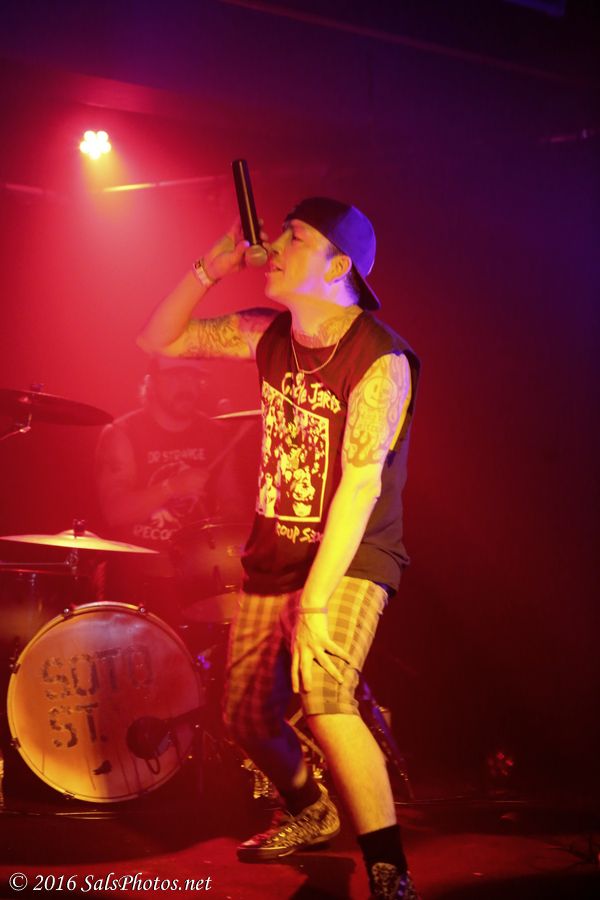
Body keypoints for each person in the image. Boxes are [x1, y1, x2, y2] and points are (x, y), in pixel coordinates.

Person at [137, 197, 420, 900]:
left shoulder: (381, 358)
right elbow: (158, 341)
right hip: (276, 552)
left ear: (340, 265)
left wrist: (315, 603)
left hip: (351, 556)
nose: (275, 246)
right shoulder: (266, 333)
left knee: (325, 693)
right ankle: (311, 809)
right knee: (244, 714)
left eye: (296, 238)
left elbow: (360, 486)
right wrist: (210, 268)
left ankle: (389, 873)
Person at [95, 356, 243, 622]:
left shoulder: (216, 434)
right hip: (135, 577)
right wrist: (172, 486)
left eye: (193, 377)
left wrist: (224, 537)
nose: (187, 386)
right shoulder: (122, 433)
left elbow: (233, 505)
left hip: (196, 579)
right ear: (151, 383)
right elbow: (114, 512)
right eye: (175, 377)